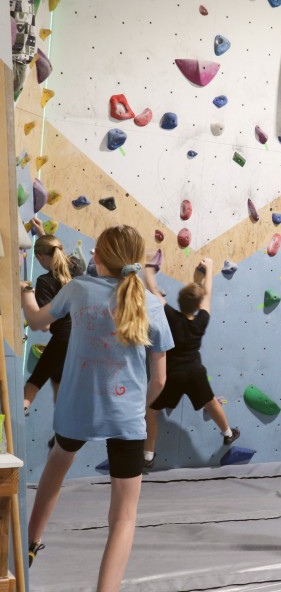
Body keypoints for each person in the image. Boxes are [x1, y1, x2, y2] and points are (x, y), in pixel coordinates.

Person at [20, 225, 173, 591]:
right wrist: (137, 407)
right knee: (123, 518)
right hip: (128, 418)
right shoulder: (151, 304)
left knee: (57, 466)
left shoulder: (78, 289)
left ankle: (29, 546)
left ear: (98, 257)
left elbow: (36, 321)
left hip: (77, 410)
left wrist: (25, 290)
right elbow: (160, 380)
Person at [142, 256, 239, 470]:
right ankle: (228, 433)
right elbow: (208, 296)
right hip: (195, 372)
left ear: (179, 300)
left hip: (173, 375)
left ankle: (148, 456)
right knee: (211, 402)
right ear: (197, 305)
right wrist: (210, 267)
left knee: (151, 413)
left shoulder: (170, 316)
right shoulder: (201, 321)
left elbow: (154, 293)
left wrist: (149, 269)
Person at [23, 226, 74, 416]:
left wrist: (26, 293)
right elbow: (55, 252)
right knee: (57, 379)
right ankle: (63, 432)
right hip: (84, 337)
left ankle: (6, 429)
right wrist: (44, 234)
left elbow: (44, 325)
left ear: (40, 258)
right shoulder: (76, 266)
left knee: (34, 383)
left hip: (64, 338)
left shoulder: (45, 282)